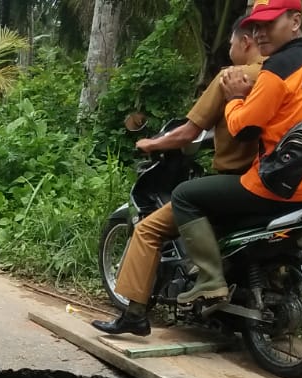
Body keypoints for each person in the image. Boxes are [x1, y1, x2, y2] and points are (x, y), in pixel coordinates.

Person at [167, 0, 302, 306]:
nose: (260, 33)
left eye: (269, 24)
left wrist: (234, 98)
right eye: (257, 26)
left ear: (295, 22)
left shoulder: (277, 70)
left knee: (184, 195)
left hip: (275, 187)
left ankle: (209, 279)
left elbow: (243, 129)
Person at [94, 18, 266, 336]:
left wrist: (151, 142)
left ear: (246, 43)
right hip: (278, 182)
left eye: (231, 44)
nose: (228, 51)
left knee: (150, 227)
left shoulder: (232, 77)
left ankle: (134, 314)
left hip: (238, 182)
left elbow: (189, 131)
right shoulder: (283, 75)